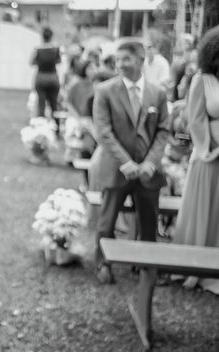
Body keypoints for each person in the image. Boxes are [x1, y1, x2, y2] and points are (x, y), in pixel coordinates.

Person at [89, 41, 168, 291]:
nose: (120, 64)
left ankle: (147, 266)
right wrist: (126, 162)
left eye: (126, 59)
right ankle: (103, 263)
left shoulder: (158, 93)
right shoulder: (105, 90)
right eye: (118, 59)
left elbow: (163, 130)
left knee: (148, 221)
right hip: (116, 168)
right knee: (107, 220)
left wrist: (149, 163)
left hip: (147, 170)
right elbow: (103, 131)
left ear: (141, 59)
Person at [173, 26, 219, 294]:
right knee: (205, 210)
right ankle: (195, 267)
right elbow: (196, 118)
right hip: (208, 157)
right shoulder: (202, 80)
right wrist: (210, 148)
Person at [30, 27, 61, 128]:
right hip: (53, 78)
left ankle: (41, 129)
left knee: (41, 105)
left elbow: (31, 62)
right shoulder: (56, 49)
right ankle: (57, 129)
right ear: (51, 36)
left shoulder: (38, 49)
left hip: (41, 78)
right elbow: (59, 61)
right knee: (54, 105)